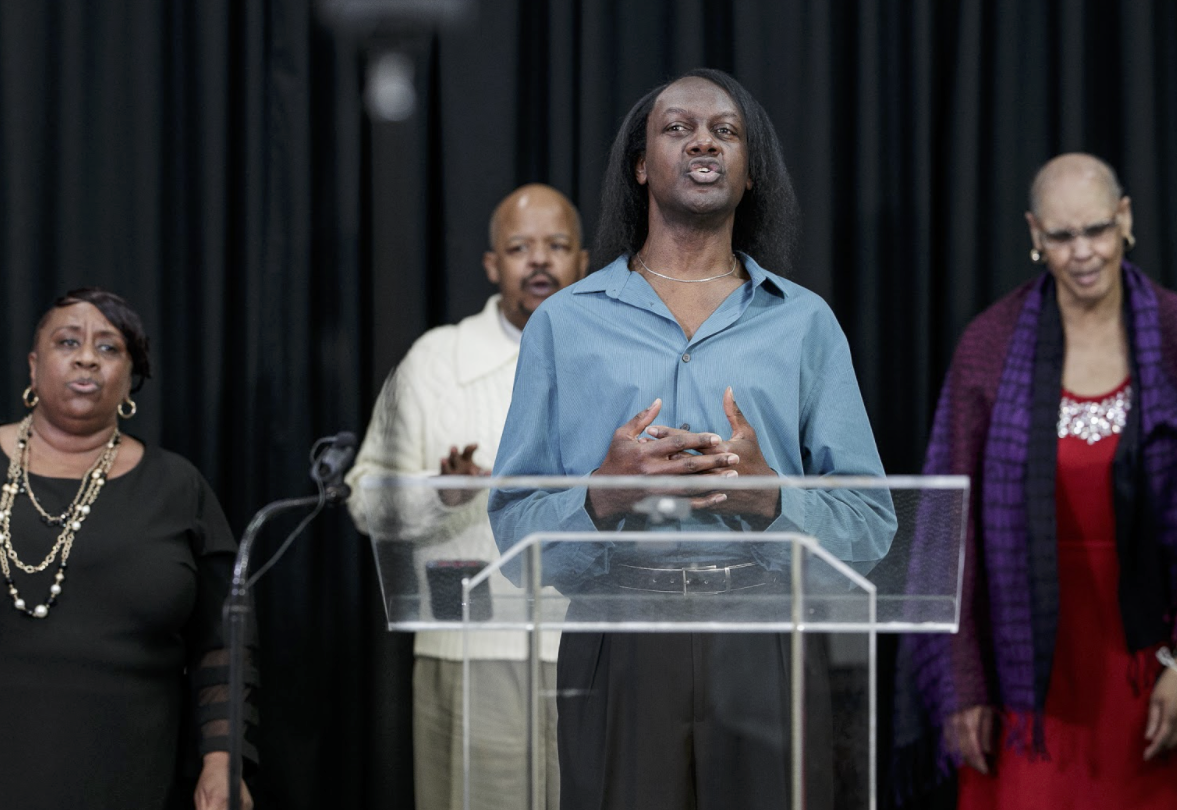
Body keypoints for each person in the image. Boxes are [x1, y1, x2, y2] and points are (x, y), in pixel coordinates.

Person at [488, 69, 895, 810]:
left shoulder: (803, 323)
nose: (703, 139)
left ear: (748, 174)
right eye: (677, 127)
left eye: (725, 131)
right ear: (641, 165)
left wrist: (775, 497)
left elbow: (872, 526)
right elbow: (511, 525)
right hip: (619, 643)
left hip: (768, 637)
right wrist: (599, 497)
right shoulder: (565, 324)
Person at [902, 153, 1177, 808]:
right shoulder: (990, 345)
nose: (1083, 252)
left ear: (1126, 220)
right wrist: (961, 683)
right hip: (1021, 671)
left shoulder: (1172, 333)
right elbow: (949, 527)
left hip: (1151, 663)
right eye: (1061, 236)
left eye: (1097, 230)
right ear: (1034, 235)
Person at [0, 288, 255, 810]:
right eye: (68, 341)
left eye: (110, 348)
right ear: (33, 364)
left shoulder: (178, 487)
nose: (87, 356)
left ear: (129, 378)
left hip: (128, 778)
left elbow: (220, 644)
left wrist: (222, 759)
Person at [345, 183, 589, 810]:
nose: (539, 262)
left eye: (557, 246)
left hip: (596, 653)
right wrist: (442, 494)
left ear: (582, 263)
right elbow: (366, 500)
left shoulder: (617, 360)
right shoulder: (435, 360)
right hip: (472, 651)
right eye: (519, 248)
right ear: (492, 266)